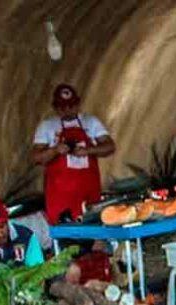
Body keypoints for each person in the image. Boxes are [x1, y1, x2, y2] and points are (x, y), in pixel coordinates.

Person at [31, 84, 116, 284]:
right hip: (61, 202)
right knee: (67, 248)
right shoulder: (47, 127)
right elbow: (36, 157)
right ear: (55, 107)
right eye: (62, 107)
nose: (68, 111)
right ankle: (71, 284)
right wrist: (55, 150)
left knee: (96, 241)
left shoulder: (90, 122)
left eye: (71, 106)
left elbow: (109, 146)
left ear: (78, 104)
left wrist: (88, 151)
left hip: (89, 198)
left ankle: (98, 278)